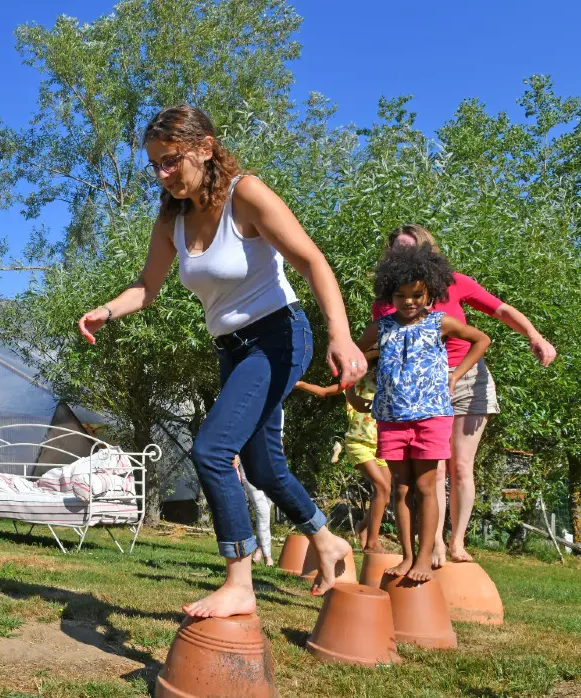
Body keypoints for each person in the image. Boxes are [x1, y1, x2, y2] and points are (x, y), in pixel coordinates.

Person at [78, 105, 366, 617]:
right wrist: (105, 310)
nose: (164, 176)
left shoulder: (246, 195)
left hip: (280, 336)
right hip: (232, 349)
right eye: (155, 166)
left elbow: (312, 261)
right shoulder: (172, 217)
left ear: (205, 148)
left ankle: (239, 581)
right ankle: (327, 540)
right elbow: (147, 287)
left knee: (212, 449)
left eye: (172, 161)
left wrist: (340, 337)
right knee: (261, 465)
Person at [377, 225, 557, 564]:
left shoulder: (455, 282)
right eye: (398, 250)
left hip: (466, 377)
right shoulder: (390, 298)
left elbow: (500, 310)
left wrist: (534, 335)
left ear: (428, 250)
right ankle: (435, 544)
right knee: (436, 469)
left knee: (461, 465)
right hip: (421, 392)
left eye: (411, 249)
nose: (405, 256)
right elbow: (384, 349)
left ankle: (457, 542)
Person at [357, 246, 490, 581]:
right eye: (400, 295)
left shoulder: (440, 322)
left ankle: (425, 557)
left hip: (432, 416)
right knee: (400, 489)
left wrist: (456, 375)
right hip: (391, 417)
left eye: (417, 295)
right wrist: (352, 391)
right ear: (390, 294)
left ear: (431, 291)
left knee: (426, 486)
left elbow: (481, 339)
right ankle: (407, 555)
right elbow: (355, 358)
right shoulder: (380, 327)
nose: (409, 301)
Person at [295, 355, 390, 553]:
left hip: (382, 445)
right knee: (381, 487)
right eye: (375, 367)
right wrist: (300, 383)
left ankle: (363, 527)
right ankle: (373, 543)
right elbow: (323, 392)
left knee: (386, 494)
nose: (378, 372)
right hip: (358, 443)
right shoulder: (355, 383)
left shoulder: (390, 387)